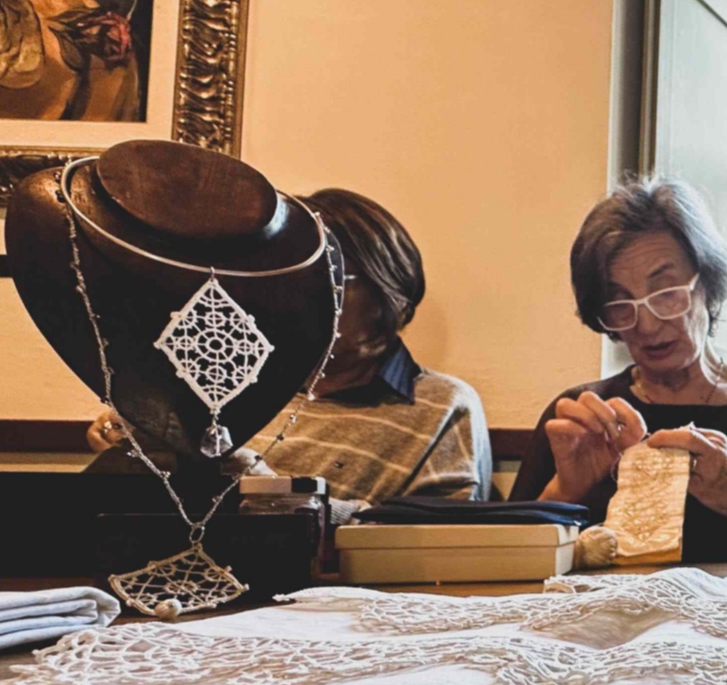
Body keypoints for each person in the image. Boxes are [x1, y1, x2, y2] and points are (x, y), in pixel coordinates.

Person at [510, 176, 727, 562]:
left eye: (666, 294)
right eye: (620, 304)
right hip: (612, 622)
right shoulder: (582, 416)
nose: (645, 325)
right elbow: (497, 568)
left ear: (708, 286)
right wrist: (563, 492)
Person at [88, 188, 492, 505]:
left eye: (327, 278)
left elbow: (429, 545)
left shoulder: (441, 405)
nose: (295, 298)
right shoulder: (229, 387)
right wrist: (140, 442)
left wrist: (243, 474)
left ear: (388, 292)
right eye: (283, 280)